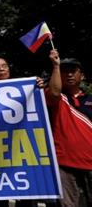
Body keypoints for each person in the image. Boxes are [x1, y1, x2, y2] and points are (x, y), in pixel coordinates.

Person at [44, 50, 92, 207]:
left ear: (82, 76)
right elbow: (55, 92)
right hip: (64, 164)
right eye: (65, 72)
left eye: (73, 71)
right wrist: (55, 66)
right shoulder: (56, 98)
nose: (69, 75)